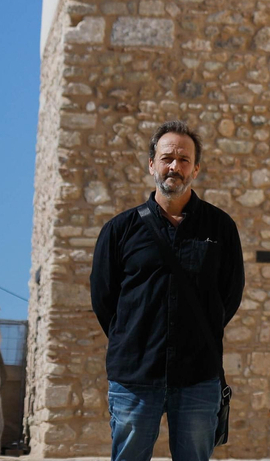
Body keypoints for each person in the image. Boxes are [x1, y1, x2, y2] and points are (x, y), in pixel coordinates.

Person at [90, 121, 244, 461]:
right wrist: (134, 337)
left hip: (198, 377)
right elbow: (103, 299)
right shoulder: (120, 230)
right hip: (134, 376)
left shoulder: (220, 228)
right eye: (166, 158)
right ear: (151, 165)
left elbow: (229, 295)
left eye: (183, 159)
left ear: (196, 168)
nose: (174, 166)